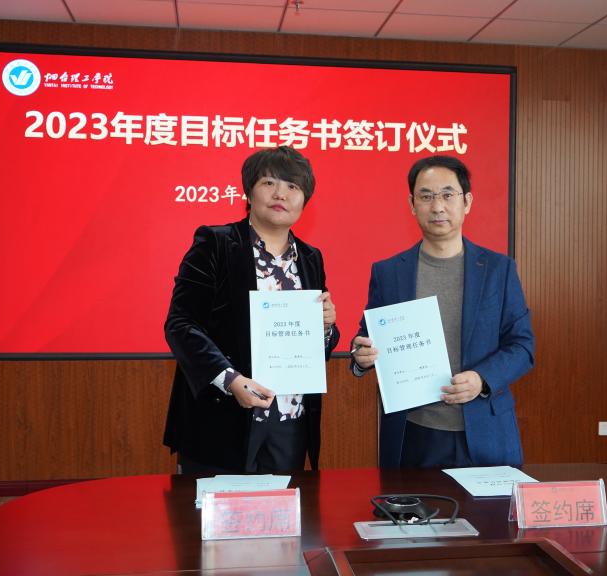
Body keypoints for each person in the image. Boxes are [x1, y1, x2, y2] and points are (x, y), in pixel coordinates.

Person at [350, 155, 534, 469]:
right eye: (426, 196)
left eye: (448, 195)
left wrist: (482, 379)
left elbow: (522, 346)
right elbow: (367, 338)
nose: (437, 207)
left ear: (467, 202)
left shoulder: (498, 270)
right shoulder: (389, 272)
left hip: (484, 431)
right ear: (412, 205)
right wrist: (360, 356)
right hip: (414, 434)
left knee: (488, 505)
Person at [163, 146, 339, 474]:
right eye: (269, 183)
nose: (280, 194)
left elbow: (317, 347)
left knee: (284, 508)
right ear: (249, 191)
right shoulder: (215, 243)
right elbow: (181, 323)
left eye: (292, 186)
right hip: (222, 418)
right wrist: (230, 380)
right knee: (210, 508)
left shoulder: (310, 257)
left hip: (289, 421)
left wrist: (326, 327)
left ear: (305, 200)